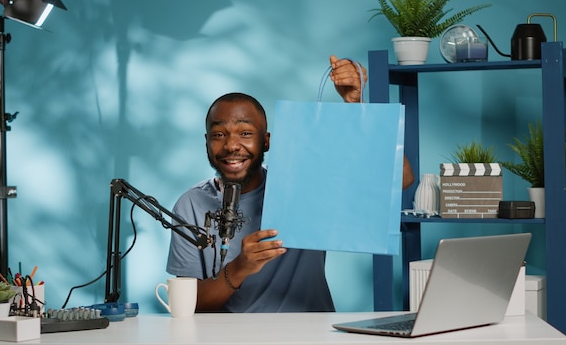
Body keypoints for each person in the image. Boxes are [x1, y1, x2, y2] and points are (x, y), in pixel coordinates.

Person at [166, 56, 414, 313]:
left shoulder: (304, 187)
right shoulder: (192, 204)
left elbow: (402, 178)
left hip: (309, 334)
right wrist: (240, 267)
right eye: (219, 135)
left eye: (246, 133)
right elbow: (187, 306)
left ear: (266, 142)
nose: (231, 145)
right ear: (207, 142)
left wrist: (356, 106)